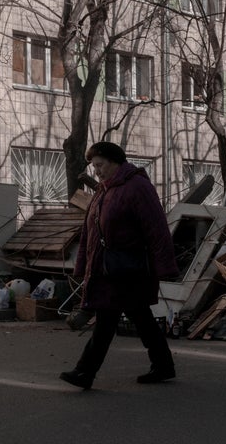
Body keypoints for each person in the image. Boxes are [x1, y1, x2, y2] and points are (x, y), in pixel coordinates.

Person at [60, 142, 179, 390]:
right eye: (95, 167)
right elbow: (89, 234)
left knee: (106, 320)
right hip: (109, 270)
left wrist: (165, 267)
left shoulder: (137, 187)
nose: (97, 172)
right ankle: (163, 365)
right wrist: (82, 266)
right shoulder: (104, 191)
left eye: (100, 165)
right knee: (141, 318)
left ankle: (85, 372)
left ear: (115, 162)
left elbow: (156, 229)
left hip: (129, 270)